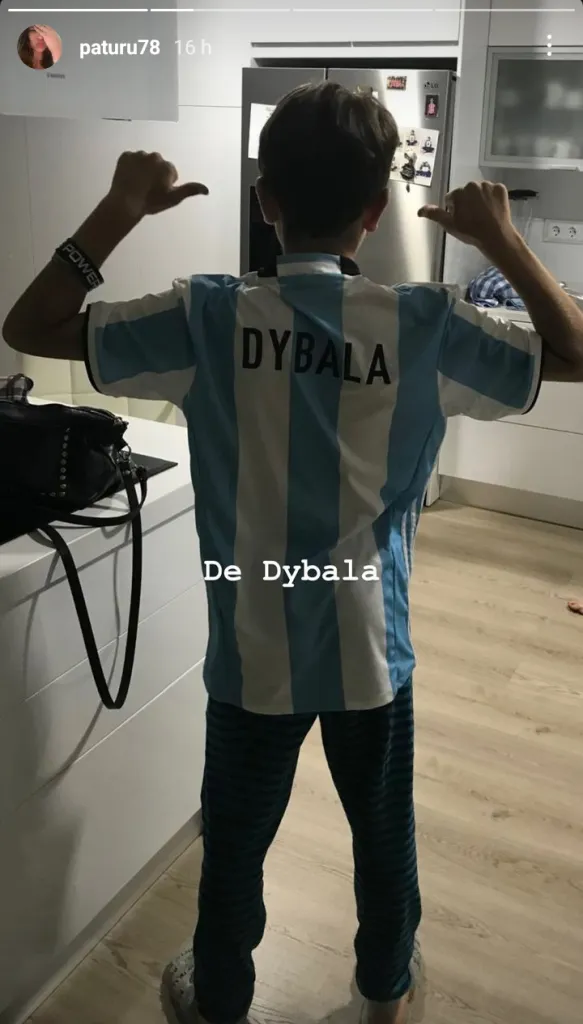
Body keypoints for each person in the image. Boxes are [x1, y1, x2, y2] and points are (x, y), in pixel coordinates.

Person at [3, 82, 583, 1024]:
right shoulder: (427, 326)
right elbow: (575, 350)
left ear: (264, 199)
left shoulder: (204, 317)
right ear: (375, 210)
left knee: (233, 845)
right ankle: (384, 993)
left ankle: (219, 999)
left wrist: (119, 209)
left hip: (251, 658)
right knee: (382, 838)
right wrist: (500, 240)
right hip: (372, 656)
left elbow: (28, 327)